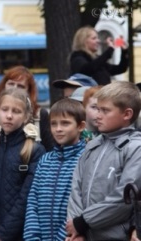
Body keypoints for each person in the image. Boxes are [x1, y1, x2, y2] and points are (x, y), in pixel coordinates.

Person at [66, 81, 141, 241]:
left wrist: (83, 222)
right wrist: (77, 231)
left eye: (105, 110)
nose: (97, 115)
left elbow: (124, 197)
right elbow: (75, 189)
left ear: (127, 114)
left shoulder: (135, 148)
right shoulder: (92, 146)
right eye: (97, 109)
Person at [0, 88, 45, 241]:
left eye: (16, 111)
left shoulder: (34, 150)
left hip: (17, 234)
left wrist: (3, 235)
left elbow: (25, 198)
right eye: (5, 109)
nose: (9, 115)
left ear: (26, 117)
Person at [24, 98, 86, 241]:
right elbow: (33, 202)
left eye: (65, 123)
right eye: (53, 124)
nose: (58, 129)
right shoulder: (45, 159)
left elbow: (80, 206)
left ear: (81, 126)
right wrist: (32, 237)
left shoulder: (86, 159)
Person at [0, 65, 55, 151]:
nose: (15, 88)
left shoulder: (39, 115)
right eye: (11, 84)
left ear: (29, 91)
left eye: (20, 86)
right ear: (4, 85)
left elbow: (50, 149)